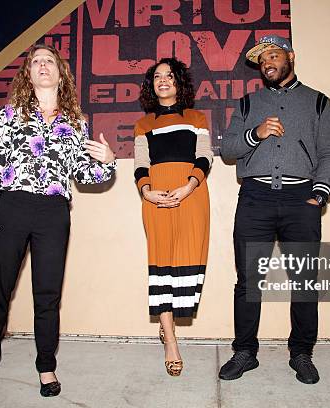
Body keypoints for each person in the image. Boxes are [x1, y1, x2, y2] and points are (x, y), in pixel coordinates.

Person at [0, 44, 116, 396]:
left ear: (59, 71)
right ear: (28, 73)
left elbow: (83, 174)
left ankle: (46, 368)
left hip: (53, 213)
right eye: (35, 62)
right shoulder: (10, 115)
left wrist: (108, 162)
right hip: (12, 208)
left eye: (48, 60)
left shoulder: (75, 121)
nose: (41, 66)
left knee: (48, 295)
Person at [219, 35, 330, 384]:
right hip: (255, 198)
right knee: (248, 281)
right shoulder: (246, 103)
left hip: (301, 199)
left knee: (304, 282)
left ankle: (302, 354)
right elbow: (228, 149)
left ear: (290, 57)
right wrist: (255, 133)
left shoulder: (318, 102)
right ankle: (245, 352)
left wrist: (320, 191)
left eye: (274, 54)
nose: (268, 62)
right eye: (262, 59)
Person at [133, 57, 212, 377]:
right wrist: (146, 191)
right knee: (161, 263)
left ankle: (170, 327)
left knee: (189, 262)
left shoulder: (196, 118)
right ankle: (171, 341)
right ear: (151, 86)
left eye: (168, 75)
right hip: (156, 198)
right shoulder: (144, 124)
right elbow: (140, 162)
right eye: (156, 77)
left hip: (192, 196)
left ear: (179, 81)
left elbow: (204, 156)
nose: (162, 80)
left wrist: (189, 186)